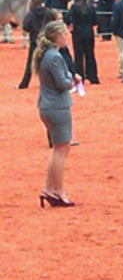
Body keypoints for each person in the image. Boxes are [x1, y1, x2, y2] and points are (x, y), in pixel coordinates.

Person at [35, 21, 82, 208]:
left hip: (48, 106)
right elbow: (63, 83)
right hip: (57, 106)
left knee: (58, 149)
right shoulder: (55, 56)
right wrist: (73, 78)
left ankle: (49, 188)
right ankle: (59, 191)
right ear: (56, 36)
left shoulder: (47, 55)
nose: (67, 36)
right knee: (61, 150)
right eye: (64, 34)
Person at [64, 0, 99, 84]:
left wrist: (70, 24)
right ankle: (93, 77)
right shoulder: (90, 7)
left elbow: (66, 17)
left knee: (78, 56)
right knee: (90, 55)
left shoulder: (74, 7)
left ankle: (80, 77)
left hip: (78, 33)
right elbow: (95, 21)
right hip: (89, 32)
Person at [17, 0, 47, 89]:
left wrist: (32, 30)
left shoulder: (30, 14)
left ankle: (24, 84)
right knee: (48, 61)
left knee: (30, 63)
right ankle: (48, 83)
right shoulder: (47, 12)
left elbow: (25, 26)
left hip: (34, 40)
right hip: (46, 40)